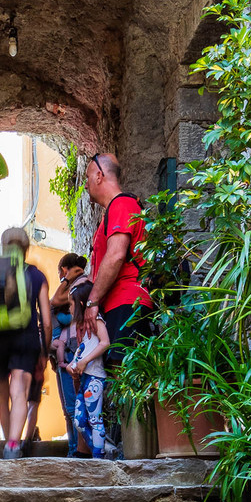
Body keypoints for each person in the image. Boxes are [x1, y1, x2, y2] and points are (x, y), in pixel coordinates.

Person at [0, 223, 51, 458]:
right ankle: (13, 445)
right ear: (26, 248)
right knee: (19, 391)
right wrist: (44, 351)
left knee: (3, 397)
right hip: (25, 339)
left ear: (3, 246)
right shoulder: (36, 275)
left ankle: (6, 439)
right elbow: (47, 320)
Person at [83, 153, 153, 362]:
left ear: (98, 176)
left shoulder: (122, 205)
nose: (86, 185)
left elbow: (115, 255)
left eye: (87, 178)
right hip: (121, 305)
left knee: (127, 381)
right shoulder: (116, 209)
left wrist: (91, 302)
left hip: (127, 302)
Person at [67, 281, 112, 459]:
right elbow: (85, 348)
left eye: (70, 304)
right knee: (79, 420)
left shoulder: (96, 320)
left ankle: (98, 458)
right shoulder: (83, 328)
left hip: (95, 378)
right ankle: (100, 449)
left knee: (94, 419)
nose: (69, 308)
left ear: (79, 304)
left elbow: (105, 342)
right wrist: (74, 363)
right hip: (86, 378)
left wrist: (84, 361)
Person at [50, 254, 86, 454]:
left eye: (60, 272)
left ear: (64, 269)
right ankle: (73, 449)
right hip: (62, 353)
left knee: (73, 408)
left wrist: (66, 278)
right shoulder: (70, 287)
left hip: (74, 350)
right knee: (67, 410)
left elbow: (54, 301)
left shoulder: (81, 284)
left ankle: (77, 450)